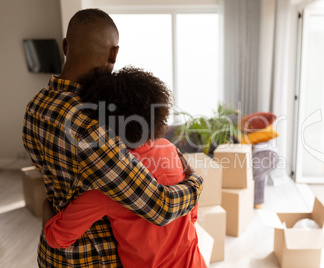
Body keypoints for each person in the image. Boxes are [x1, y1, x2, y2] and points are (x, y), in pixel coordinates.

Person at [22, 9, 203, 267]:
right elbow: (160, 207)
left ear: (65, 46)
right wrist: (195, 182)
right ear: (114, 54)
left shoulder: (36, 105)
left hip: (55, 252)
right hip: (91, 259)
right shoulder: (90, 126)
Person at [43, 67, 207, 268]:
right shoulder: (170, 149)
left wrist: (46, 204)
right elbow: (192, 214)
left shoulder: (108, 187)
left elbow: (56, 238)